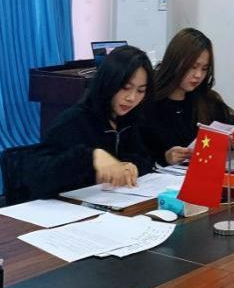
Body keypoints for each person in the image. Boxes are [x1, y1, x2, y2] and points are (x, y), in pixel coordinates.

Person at [27, 45, 154, 199]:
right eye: (125, 87)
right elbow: (38, 178)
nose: (132, 98)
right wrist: (91, 157)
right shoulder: (73, 121)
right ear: (108, 82)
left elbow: (144, 159)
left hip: (113, 202)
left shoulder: (130, 118)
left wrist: (131, 166)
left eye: (140, 90)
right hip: (69, 207)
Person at [144, 28, 234, 165]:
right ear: (175, 62)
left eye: (204, 69)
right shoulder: (149, 104)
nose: (198, 75)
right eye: (193, 67)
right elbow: (139, 156)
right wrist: (165, 157)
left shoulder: (208, 100)